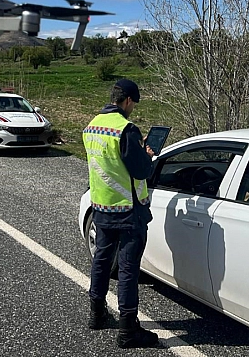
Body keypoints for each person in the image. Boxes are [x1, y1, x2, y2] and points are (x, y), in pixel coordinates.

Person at [82, 79, 159, 349]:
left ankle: (96, 313)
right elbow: (141, 171)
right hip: (128, 210)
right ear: (127, 101)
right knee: (127, 270)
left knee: (102, 261)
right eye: (134, 104)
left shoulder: (92, 126)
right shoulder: (127, 130)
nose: (133, 109)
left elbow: (109, 163)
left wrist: (137, 150)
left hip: (102, 207)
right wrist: (147, 154)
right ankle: (128, 329)